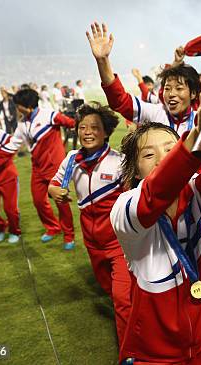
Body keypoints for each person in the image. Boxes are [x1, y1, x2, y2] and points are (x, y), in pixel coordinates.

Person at [109, 66, 201, 364]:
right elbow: (156, 193)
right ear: (134, 170)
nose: (164, 158)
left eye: (171, 148)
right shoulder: (125, 208)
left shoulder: (198, 193)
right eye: (149, 155)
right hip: (158, 352)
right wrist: (191, 141)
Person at [48, 102, 131, 347]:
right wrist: (54, 191)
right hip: (92, 242)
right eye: (82, 127)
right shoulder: (72, 159)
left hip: (119, 242)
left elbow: (135, 197)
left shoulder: (121, 162)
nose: (87, 131)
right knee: (111, 291)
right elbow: (53, 183)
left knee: (122, 297)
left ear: (105, 131)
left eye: (94, 127)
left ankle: (130, 350)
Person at [87, 22, 200, 137]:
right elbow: (119, 100)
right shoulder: (156, 113)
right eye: (167, 88)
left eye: (179, 88)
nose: (171, 94)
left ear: (193, 93)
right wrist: (102, 60)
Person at [0, 88, 76, 249]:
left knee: (61, 202)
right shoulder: (22, 124)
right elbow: (13, 144)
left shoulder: (49, 115)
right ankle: (53, 227)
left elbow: (72, 123)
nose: (16, 108)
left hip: (56, 168)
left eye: (17, 105)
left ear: (25, 105)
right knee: (38, 201)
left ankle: (69, 235)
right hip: (38, 168)